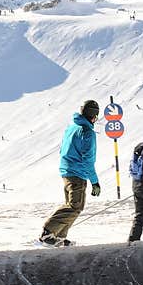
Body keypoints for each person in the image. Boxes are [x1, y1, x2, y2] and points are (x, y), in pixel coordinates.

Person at [39, 100, 101, 246]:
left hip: (66, 171)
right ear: (93, 116)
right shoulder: (87, 133)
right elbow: (88, 160)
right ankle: (48, 231)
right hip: (77, 173)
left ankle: (59, 236)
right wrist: (94, 181)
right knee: (75, 206)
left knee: (72, 205)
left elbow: (62, 149)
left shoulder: (72, 127)